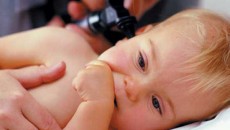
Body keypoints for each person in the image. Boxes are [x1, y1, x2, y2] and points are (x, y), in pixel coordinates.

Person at [1, 9, 229, 130]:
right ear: (138, 33)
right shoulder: (63, 45)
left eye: (156, 103)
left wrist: (96, 107)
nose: (133, 89)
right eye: (141, 61)